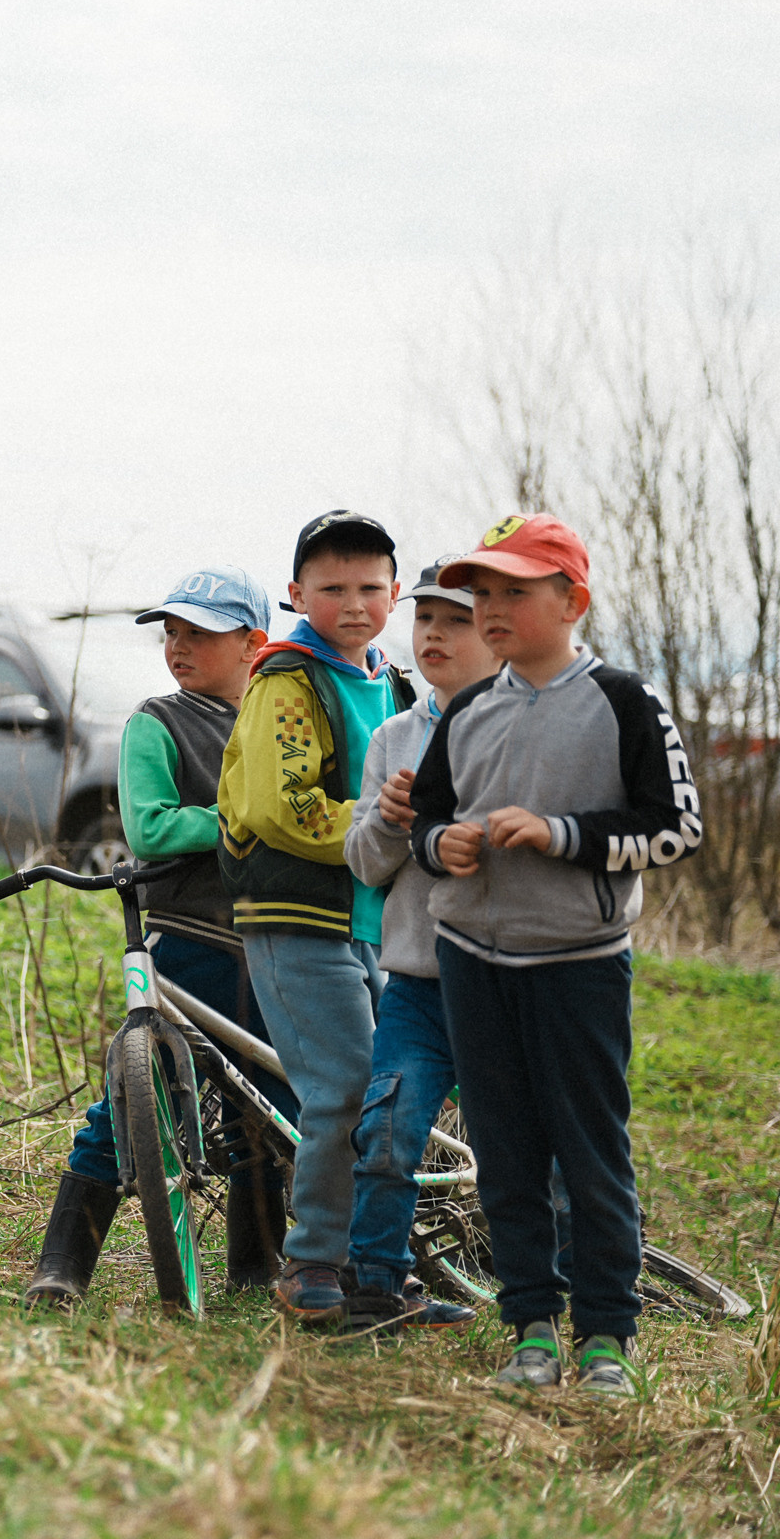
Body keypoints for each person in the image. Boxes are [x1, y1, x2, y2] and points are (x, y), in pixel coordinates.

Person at [409, 514, 701, 1396]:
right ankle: (530, 1329)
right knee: (503, 1152)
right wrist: (440, 847)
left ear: (573, 602)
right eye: (481, 592)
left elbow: (677, 828)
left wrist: (561, 834)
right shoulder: (466, 710)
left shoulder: (625, 701)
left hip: (579, 962)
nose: (490, 608)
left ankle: (607, 1336)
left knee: (588, 1149)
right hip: (471, 959)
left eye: (515, 591)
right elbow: (425, 820)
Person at [23, 565, 303, 1307]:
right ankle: (63, 1266)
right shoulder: (157, 721)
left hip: (274, 946)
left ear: (253, 643)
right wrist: (248, 822)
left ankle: (256, 1268)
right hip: (187, 941)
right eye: (171, 633)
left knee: (267, 1108)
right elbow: (149, 829)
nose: (177, 647)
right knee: (131, 1096)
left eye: (198, 634)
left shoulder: (280, 721)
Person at [215, 510, 412, 1323]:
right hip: (297, 914)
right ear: (297, 595)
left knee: (394, 1092)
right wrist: (386, 827)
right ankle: (313, 1262)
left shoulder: (394, 683)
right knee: (344, 1089)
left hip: (377, 922)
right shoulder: (288, 681)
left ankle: (379, 1267)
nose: (354, 604)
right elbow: (284, 806)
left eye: (370, 587)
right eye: (333, 589)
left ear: (396, 593)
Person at [337, 558, 499, 1333]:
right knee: (387, 1135)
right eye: (425, 618)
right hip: (417, 987)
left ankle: (567, 1295)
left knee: (536, 1149)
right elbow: (365, 865)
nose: (434, 634)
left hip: (508, 983)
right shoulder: (393, 736)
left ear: (498, 633)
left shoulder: (521, 727)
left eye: (456, 621)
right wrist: (389, 819)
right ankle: (376, 1290)